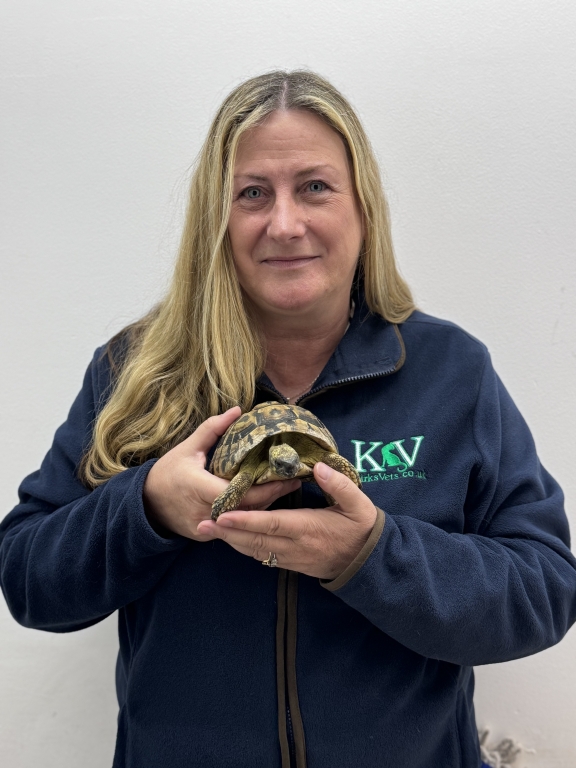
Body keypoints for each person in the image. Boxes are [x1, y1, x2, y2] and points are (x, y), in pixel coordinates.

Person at [1, 70, 575, 768]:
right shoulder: (136, 372)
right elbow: (28, 579)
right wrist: (147, 505)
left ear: (362, 206)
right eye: (252, 193)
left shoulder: (451, 371)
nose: (284, 223)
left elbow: (545, 590)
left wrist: (370, 556)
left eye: (314, 186)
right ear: (217, 219)